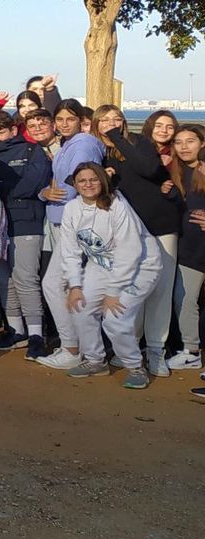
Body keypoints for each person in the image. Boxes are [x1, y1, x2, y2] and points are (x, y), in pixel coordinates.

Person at [98, 108, 183, 377]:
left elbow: (148, 167)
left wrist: (116, 136)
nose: (111, 125)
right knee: (129, 291)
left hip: (160, 226)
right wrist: (103, 174)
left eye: (116, 120)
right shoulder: (102, 152)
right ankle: (130, 348)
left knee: (160, 290)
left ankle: (156, 349)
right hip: (129, 233)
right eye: (105, 121)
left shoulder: (138, 142)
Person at [57, 161, 157, 389]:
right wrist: (75, 285)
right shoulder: (71, 208)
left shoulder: (116, 204)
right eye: (82, 180)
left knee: (115, 318)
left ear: (102, 180)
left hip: (141, 265)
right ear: (75, 184)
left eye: (93, 179)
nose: (88, 184)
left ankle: (134, 366)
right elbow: (70, 251)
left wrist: (113, 292)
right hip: (101, 264)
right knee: (80, 306)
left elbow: (130, 250)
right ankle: (95, 361)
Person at [35, 100, 106, 371]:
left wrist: (62, 194)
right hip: (64, 219)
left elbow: (82, 180)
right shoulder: (68, 145)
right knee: (65, 286)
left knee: (54, 285)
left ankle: (73, 347)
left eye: (70, 119)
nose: (64, 124)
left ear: (80, 120)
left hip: (75, 222)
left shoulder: (83, 144)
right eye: (60, 119)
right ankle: (78, 347)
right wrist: (45, 193)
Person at [0, 111, 52, 357]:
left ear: (13, 130)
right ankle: (15, 329)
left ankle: (36, 335)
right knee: (3, 279)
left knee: (25, 278)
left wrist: (4, 191)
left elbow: (32, 183)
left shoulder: (33, 152)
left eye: (2, 132)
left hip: (25, 222)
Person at [170, 124, 205, 371]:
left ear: (202, 143)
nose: (184, 146)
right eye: (179, 142)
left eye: (190, 141)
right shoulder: (174, 173)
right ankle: (191, 350)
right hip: (189, 248)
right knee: (184, 299)